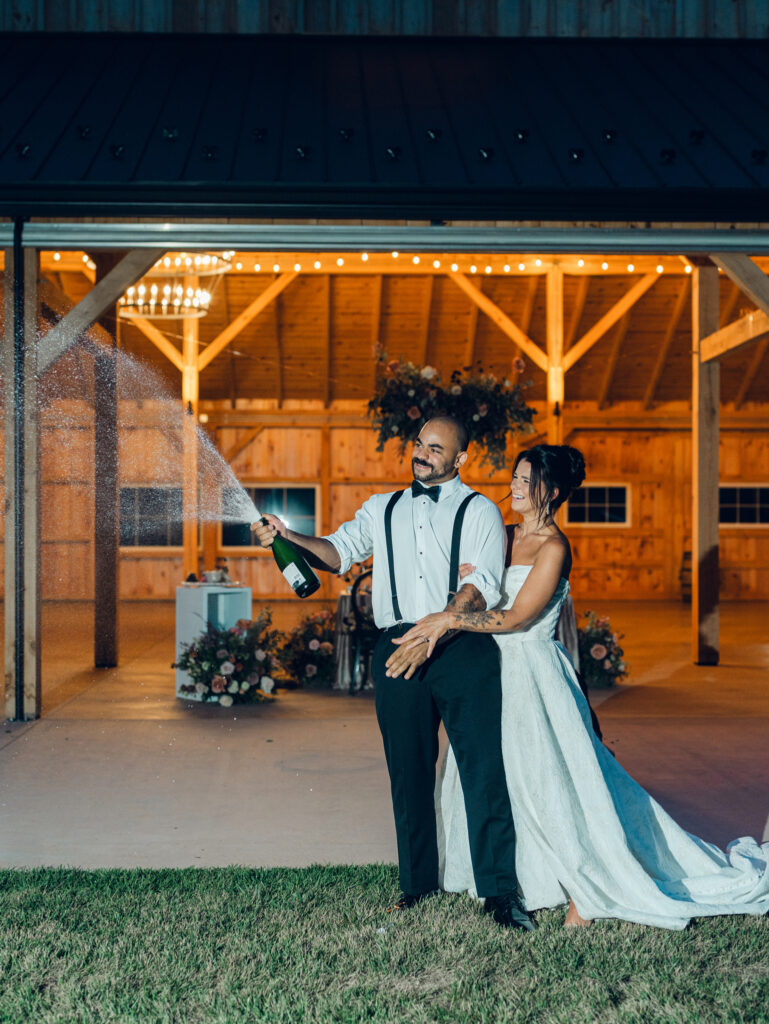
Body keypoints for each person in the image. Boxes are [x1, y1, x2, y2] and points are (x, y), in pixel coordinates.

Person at [394, 444, 769, 930]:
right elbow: (470, 577)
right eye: (515, 476)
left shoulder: (554, 548)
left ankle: (585, 887)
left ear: (551, 491)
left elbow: (514, 619)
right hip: (488, 675)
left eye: (527, 480)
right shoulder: (502, 534)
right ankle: (517, 878)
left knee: (549, 784)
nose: (515, 486)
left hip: (532, 678)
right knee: (494, 779)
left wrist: (452, 619)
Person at [251, 417, 533, 930]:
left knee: (483, 772)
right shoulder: (381, 509)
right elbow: (338, 553)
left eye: (436, 447)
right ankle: (417, 885)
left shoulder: (480, 511)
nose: (422, 453)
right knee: (408, 773)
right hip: (396, 648)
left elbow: (481, 587)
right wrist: (287, 535)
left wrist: (435, 632)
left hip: (462, 647)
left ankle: (499, 894)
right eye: (419, 443)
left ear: (461, 458)